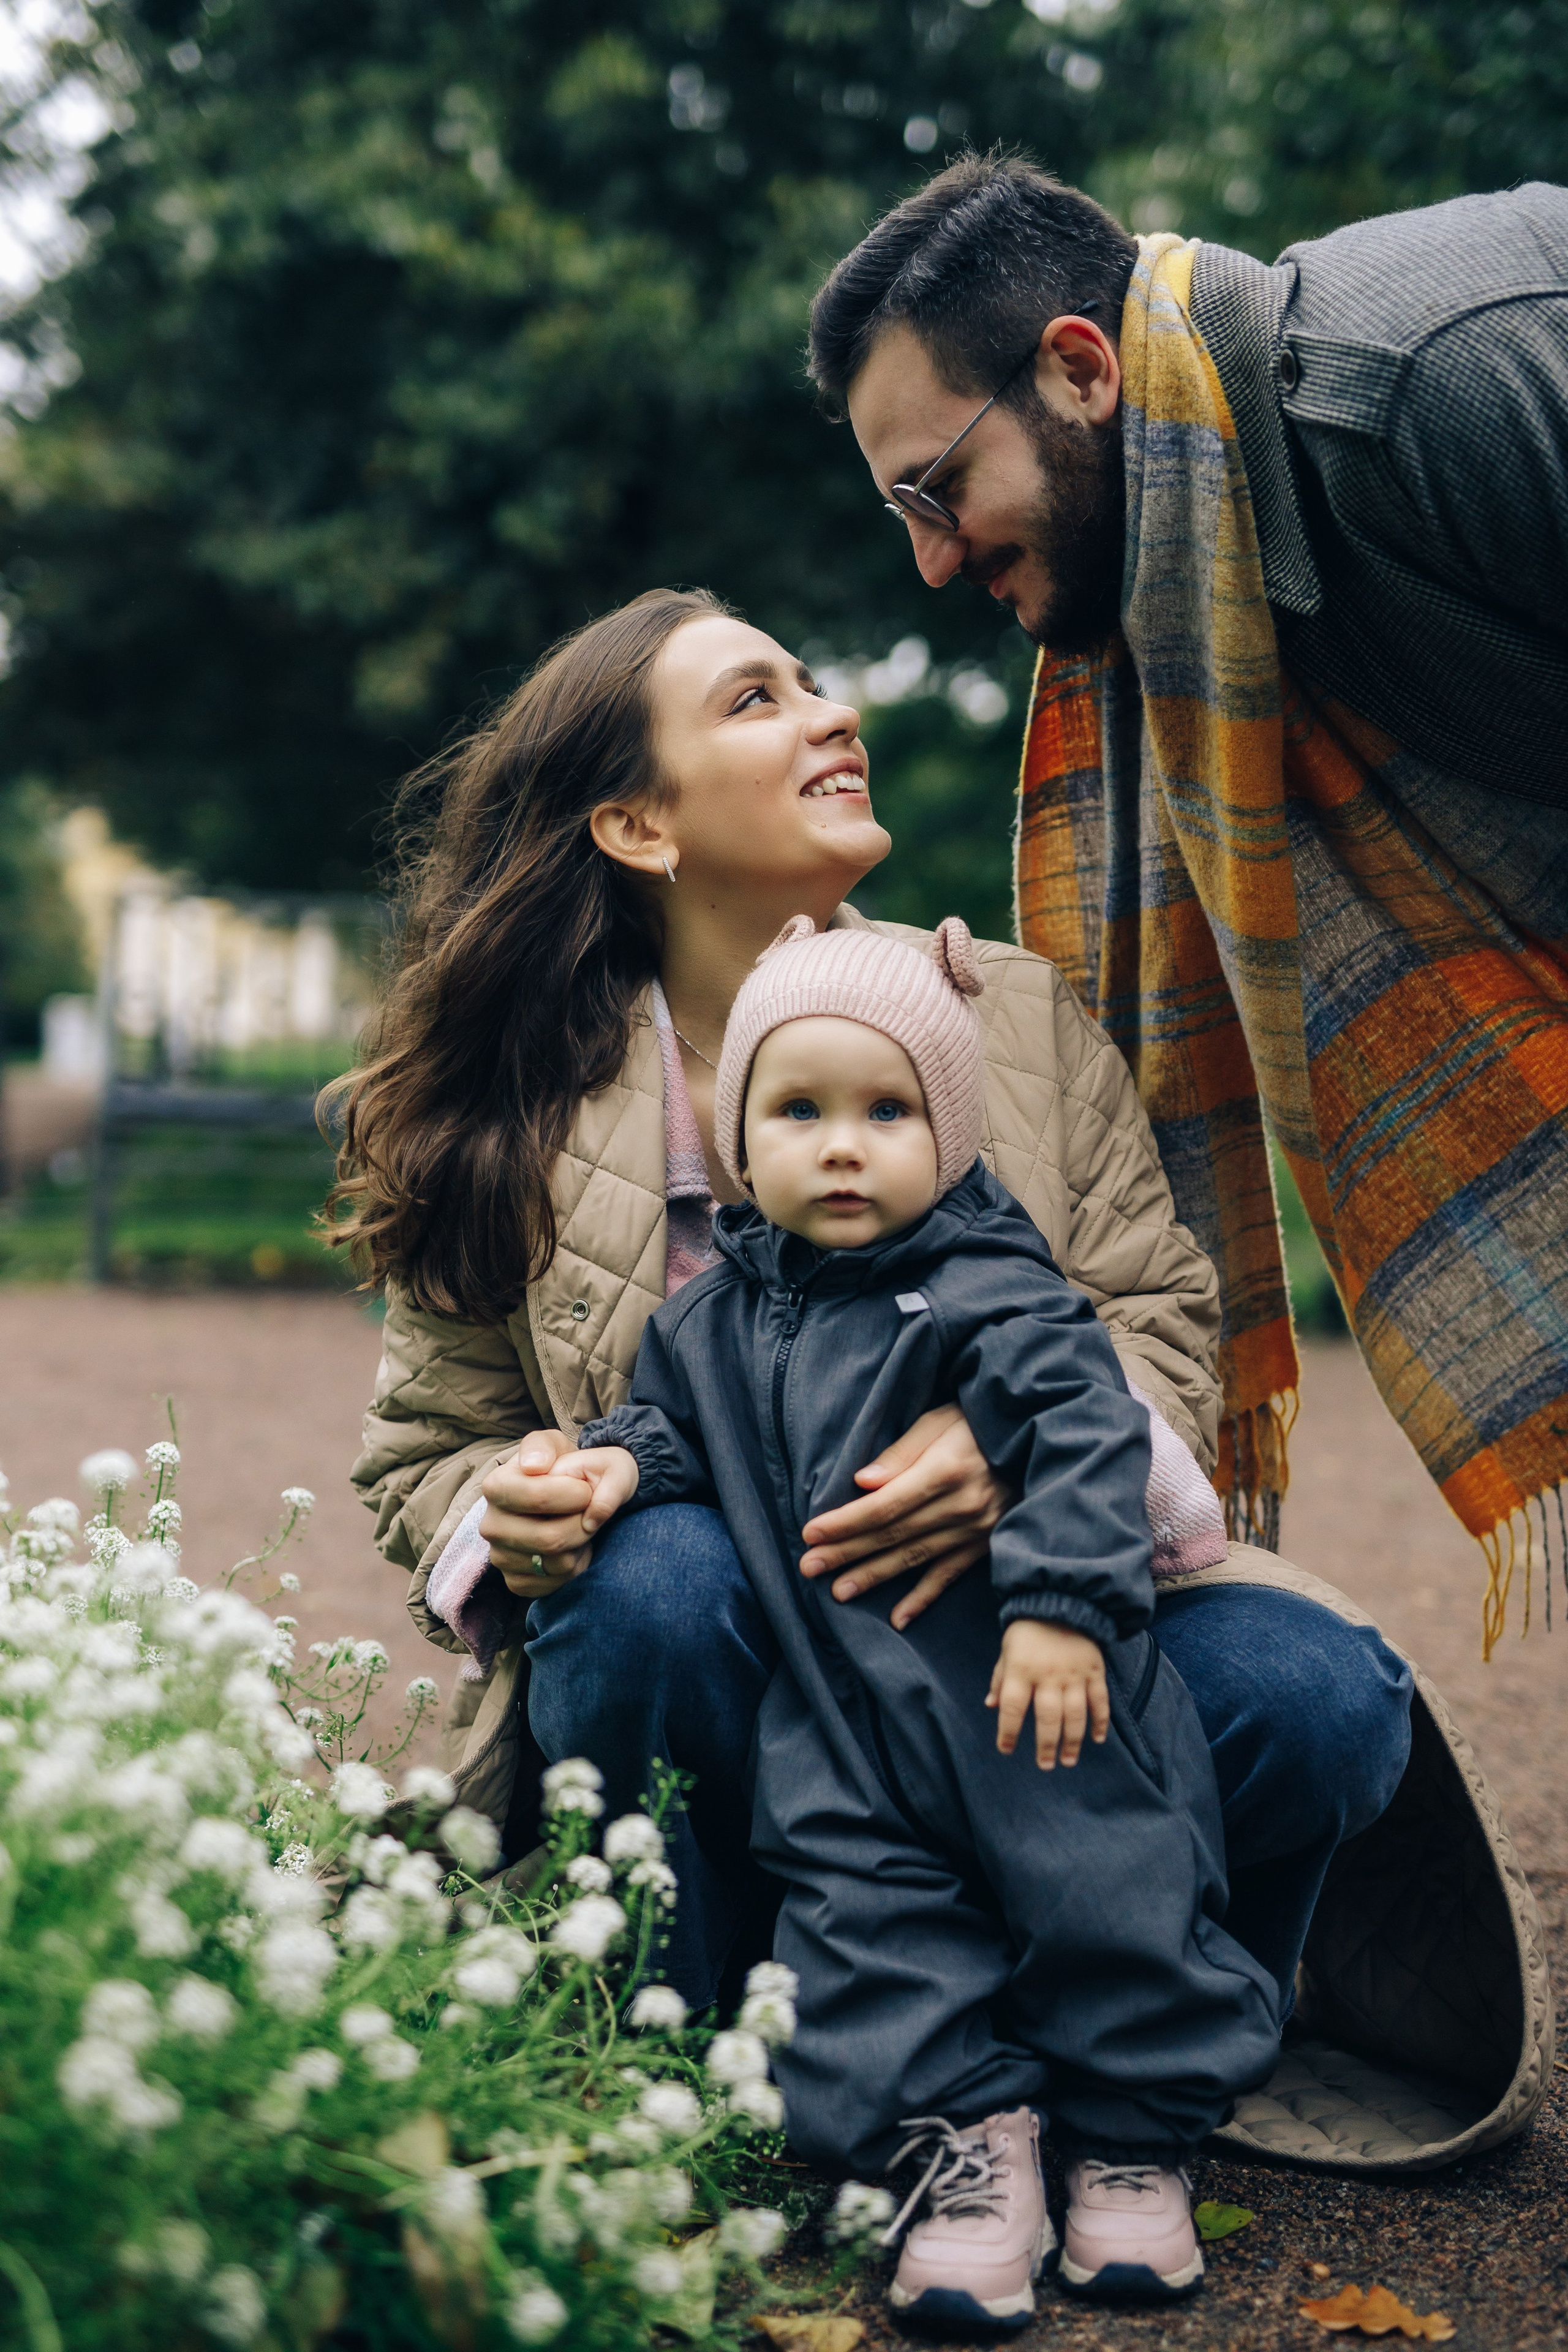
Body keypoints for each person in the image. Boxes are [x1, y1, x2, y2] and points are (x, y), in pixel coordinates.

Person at [337, 584, 1408, 2060]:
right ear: (639, 827)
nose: (832, 714)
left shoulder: (1012, 1018)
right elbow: (427, 1451)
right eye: (754, 700)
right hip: (732, 1672)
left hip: (1015, 1648)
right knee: (643, 1582)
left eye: (813, 680)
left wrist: (1016, 1447)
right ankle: (706, 2028)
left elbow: (1157, 1315)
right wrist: (507, 1514)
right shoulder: (510, 1106)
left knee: (1324, 1700)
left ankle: (1099, 2013)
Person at [809, 156, 1568, 1641]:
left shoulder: (1427, 384)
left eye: (935, 487)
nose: (929, 559)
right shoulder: (1201, 566)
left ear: (1080, 370)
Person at [551, 911, 1279, 2321]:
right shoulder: (705, 1322)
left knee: (1110, 1899)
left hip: (1022, 1694)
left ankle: (1132, 2144)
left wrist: (1061, 1608)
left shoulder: (992, 1290)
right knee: (871, 1929)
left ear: (944, 1133)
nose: (840, 1144)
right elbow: (683, 1432)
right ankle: (963, 2144)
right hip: (837, 1712)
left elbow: (1083, 1430)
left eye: (886, 1111)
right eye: (799, 1109)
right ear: (735, 1133)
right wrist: (614, 1463)